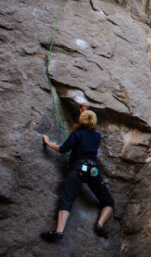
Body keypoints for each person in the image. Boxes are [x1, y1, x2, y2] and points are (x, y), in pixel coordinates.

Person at [40, 103, 114, 242]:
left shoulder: (77, 134)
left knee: (67, 200)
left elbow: (63, 149)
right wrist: (85, 112)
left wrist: (49, 143)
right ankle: (99, 224)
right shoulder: (97, 137)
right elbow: (88, 127)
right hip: (93, 170)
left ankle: (59, 232)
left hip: (78, 169)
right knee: (108, 202)